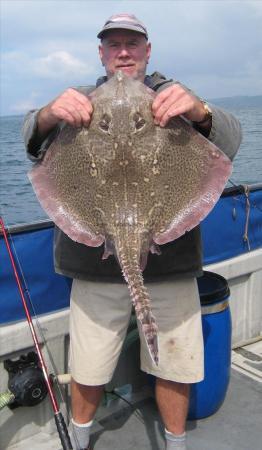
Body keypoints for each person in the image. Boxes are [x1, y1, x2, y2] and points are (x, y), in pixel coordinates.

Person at [23, 13, 242, 450]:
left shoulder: (175, 96)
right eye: (113, 44)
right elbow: (32, 140)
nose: (123, 52)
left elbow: (230, 140)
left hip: (172, 261)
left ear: (147, 50)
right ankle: (81, 439)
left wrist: (199, 111)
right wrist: (48, 114)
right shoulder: (80, 100)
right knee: (88, 366)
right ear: (102, 53)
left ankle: (174, 441)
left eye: (132, 44)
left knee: (175, 366)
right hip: (94, 267)